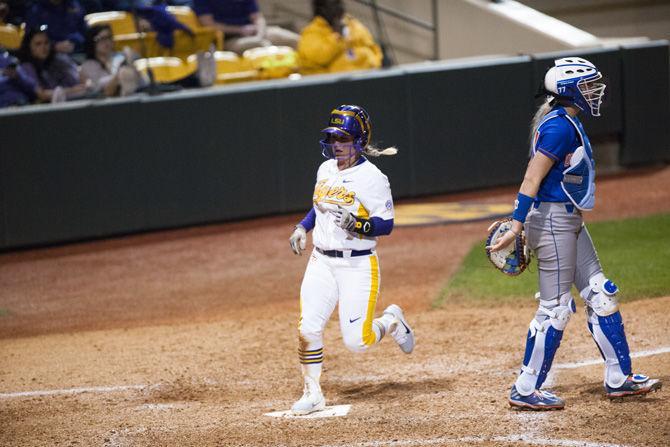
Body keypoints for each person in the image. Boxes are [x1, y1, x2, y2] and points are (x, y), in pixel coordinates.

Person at [488, 57, 662, 410]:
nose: (595, 92)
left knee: (600, 293)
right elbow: (531, 178)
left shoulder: (567, 120)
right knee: (555, 309)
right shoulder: (558, 127)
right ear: (569, 91)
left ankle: (620, 378)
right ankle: (525, 388)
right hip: (551, 222)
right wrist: (517, 223)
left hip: (568, 221)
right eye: (588, 86)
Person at [287, 104, 414, 415]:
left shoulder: (373, 177)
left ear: (359, 140)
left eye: (343, 139)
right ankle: (313, 391)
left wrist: (357, 224)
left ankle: (392, 321)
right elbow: (319, 206)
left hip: (357, 264)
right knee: (308, 328)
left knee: (358, 342)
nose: (336, 146)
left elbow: (386, 224)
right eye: (333, 139)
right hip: (321, 262)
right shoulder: (325, 170)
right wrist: (303, 227)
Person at [297, 0, 382, 75]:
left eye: (340, 2)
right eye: (335, 3)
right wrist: (337, 36)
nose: (340, 7)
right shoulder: (311, 32)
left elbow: (373, 48)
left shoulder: (353, 24)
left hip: (366, 78)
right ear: (322, 9)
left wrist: (375, 62)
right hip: (332, 87)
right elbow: (318, 57)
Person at [193, 0, 299, 54]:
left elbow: (258, 18)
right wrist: (240, 30)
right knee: (258, 45)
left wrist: (259, 35)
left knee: (294, 40)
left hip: (255, 33)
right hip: (228, 39)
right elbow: (209, 24)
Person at [18, 25, 90, 102]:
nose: (43, 47)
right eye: (38, 44)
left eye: (46, 43)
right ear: (29, 47)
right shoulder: (26, 68)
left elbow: (81, 79)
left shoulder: (59, 60)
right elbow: (42, 95)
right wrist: (72, 90)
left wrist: (86, 83)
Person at [79, 24, 147, 97]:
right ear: (92, 42)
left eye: (109, 37)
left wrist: (130, 62)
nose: (106, 42)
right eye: (101, 39)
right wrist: (121, 72)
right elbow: (101, 89)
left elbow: (143, 81)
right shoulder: (88, 65)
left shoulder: (121, 56)